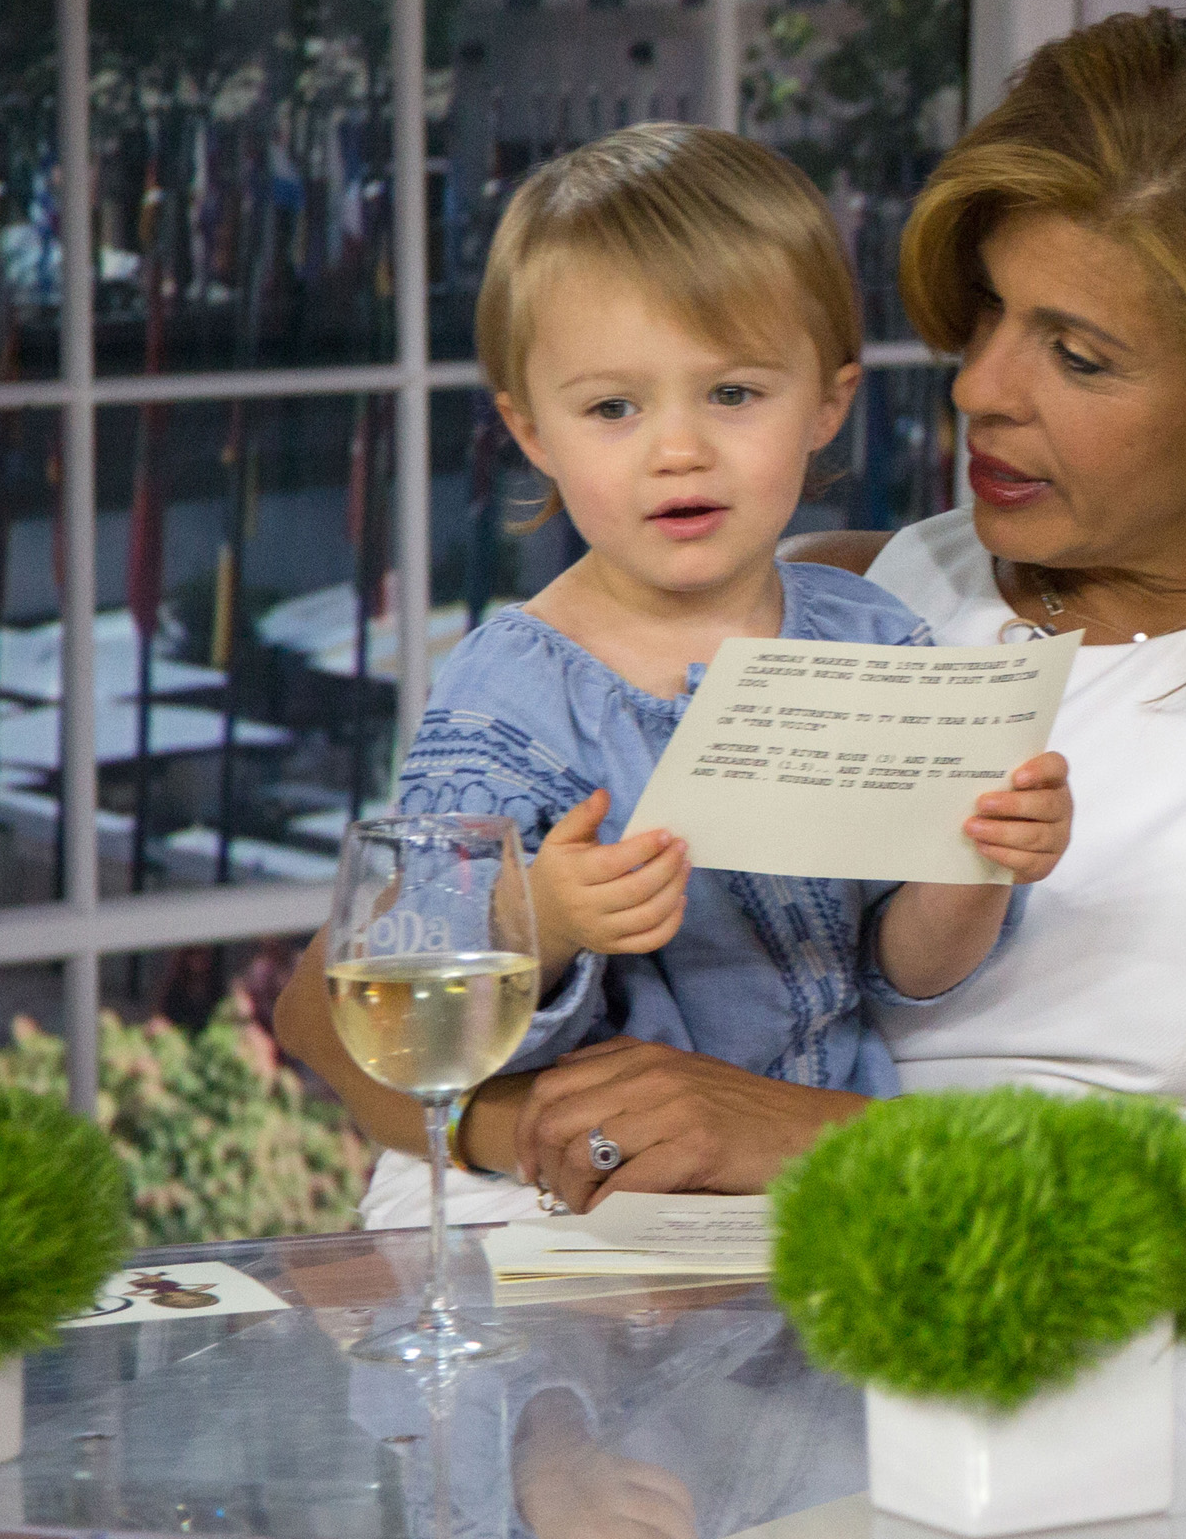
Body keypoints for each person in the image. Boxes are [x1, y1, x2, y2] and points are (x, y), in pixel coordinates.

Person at [351, 9, 1186, 1208]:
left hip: (1127, 1374)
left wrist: (808, 1137)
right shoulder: (841, 588)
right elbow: (350, 1001)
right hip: (705, 1324)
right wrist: (568, 1137)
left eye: (1077, 355)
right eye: (985, 309)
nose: (977, 386)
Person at [271, 124, 1072, 1224]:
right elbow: (420, 994)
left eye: (734, 394)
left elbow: (903, 968)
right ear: (531, 428)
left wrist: (973, 865)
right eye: (614, 407)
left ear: (828, 403)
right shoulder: (507, 692)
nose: (678, 449)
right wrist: (545, 912)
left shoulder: (876, 642)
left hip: (793, 1180)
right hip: (547, 1191)